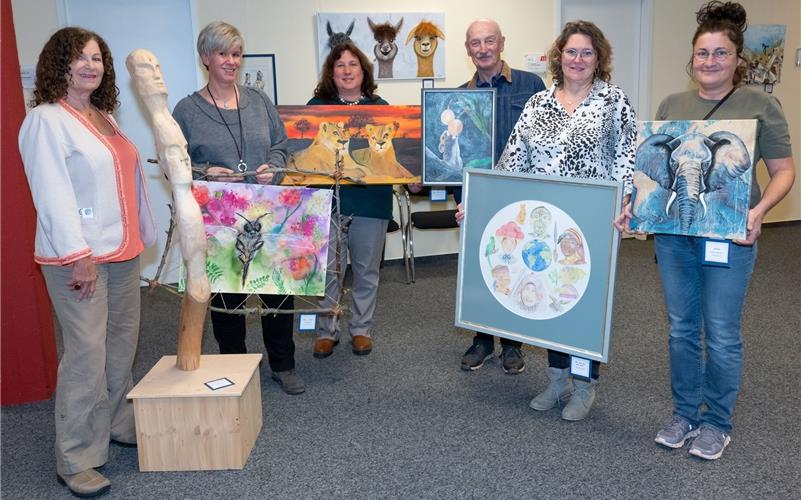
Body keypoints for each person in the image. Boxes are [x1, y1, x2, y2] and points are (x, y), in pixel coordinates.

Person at [617, 1, 795, 460]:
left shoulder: (761, 105)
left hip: (730, 238)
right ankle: (684, 414)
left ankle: (716, 421)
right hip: (676, 237)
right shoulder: (671, 106)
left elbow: (783, 172)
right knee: (680, 329)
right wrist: (633, 208)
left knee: (720, 331)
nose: (709, 62)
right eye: (702, 53)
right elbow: (651, 175)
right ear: (691, 57)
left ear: (737, 59)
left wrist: (759, 213)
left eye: (720, 53)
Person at [457, 20, 636, 421]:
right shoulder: (539, 103)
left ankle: (585, 384)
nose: (578, 59)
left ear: (598, 58)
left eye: (586, 52)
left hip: (591, 225)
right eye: (571, 51)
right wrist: (481, 205)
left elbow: (627, 161)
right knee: (552, 298)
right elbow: (512, 161)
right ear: (559, 56)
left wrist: (626, 203)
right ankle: (557, 379)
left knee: (584, 304)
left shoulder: (614, 102)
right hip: (545, 222)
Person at [18, 27, 157, 497]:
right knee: (86, 354)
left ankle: (117, 422)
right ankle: (76, 456)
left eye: (97, 58)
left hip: (122, 251)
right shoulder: (45, 120)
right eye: (80, 58)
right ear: (59, 64)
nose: (90, 65)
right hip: (80, 258)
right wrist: (78, 257)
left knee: (121, 346)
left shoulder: (103, 116)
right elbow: (52, 194)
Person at [172, 21, 304, 395]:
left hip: (268, 213)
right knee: (227, 298)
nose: (231, 61)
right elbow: (174, 163)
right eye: (222, 54)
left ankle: (283, 364)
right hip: (218, 221)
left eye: (236, 54)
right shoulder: (187, 110)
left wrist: (273, 166)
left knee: (277, 293)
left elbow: (281, 145)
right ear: (205, 58)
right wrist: (205, 172)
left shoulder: (259, 101)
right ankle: (234, 366)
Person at [457, 19, 546, 375]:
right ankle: (482, 340)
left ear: (501, 43)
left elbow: (545, 140)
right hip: (477, 195)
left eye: (489, 41)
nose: (483, 49)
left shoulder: (532, 85)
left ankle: (512, 343)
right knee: (482, 267)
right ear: (468, 50)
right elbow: (459, 152)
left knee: (516, 263)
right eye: (475, 43)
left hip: (520, 195)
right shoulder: (461, 94)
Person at [307, 41, 390, 359]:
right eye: (339, 65)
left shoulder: (382, 107)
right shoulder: (315, 107)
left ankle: (361, 330)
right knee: (328, 271)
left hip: (372, 202)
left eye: (353, 64)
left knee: (367, 271)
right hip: (326, 202)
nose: (346, 70)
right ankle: (326, 331)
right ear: (332, 72)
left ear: (363, 70)